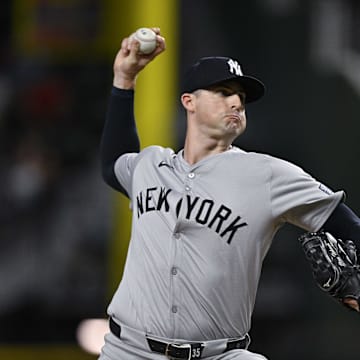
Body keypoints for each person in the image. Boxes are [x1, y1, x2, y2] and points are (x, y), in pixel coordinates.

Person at [98, 28, 360, 360]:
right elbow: (113, 164)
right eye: (223, 92)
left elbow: (348, 227)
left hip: (221, 355)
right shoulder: (152, 164)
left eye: (241, 98)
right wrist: (124, 78)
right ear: (189, 102)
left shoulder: (268, 174)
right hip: (129, 350)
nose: (236, 101)